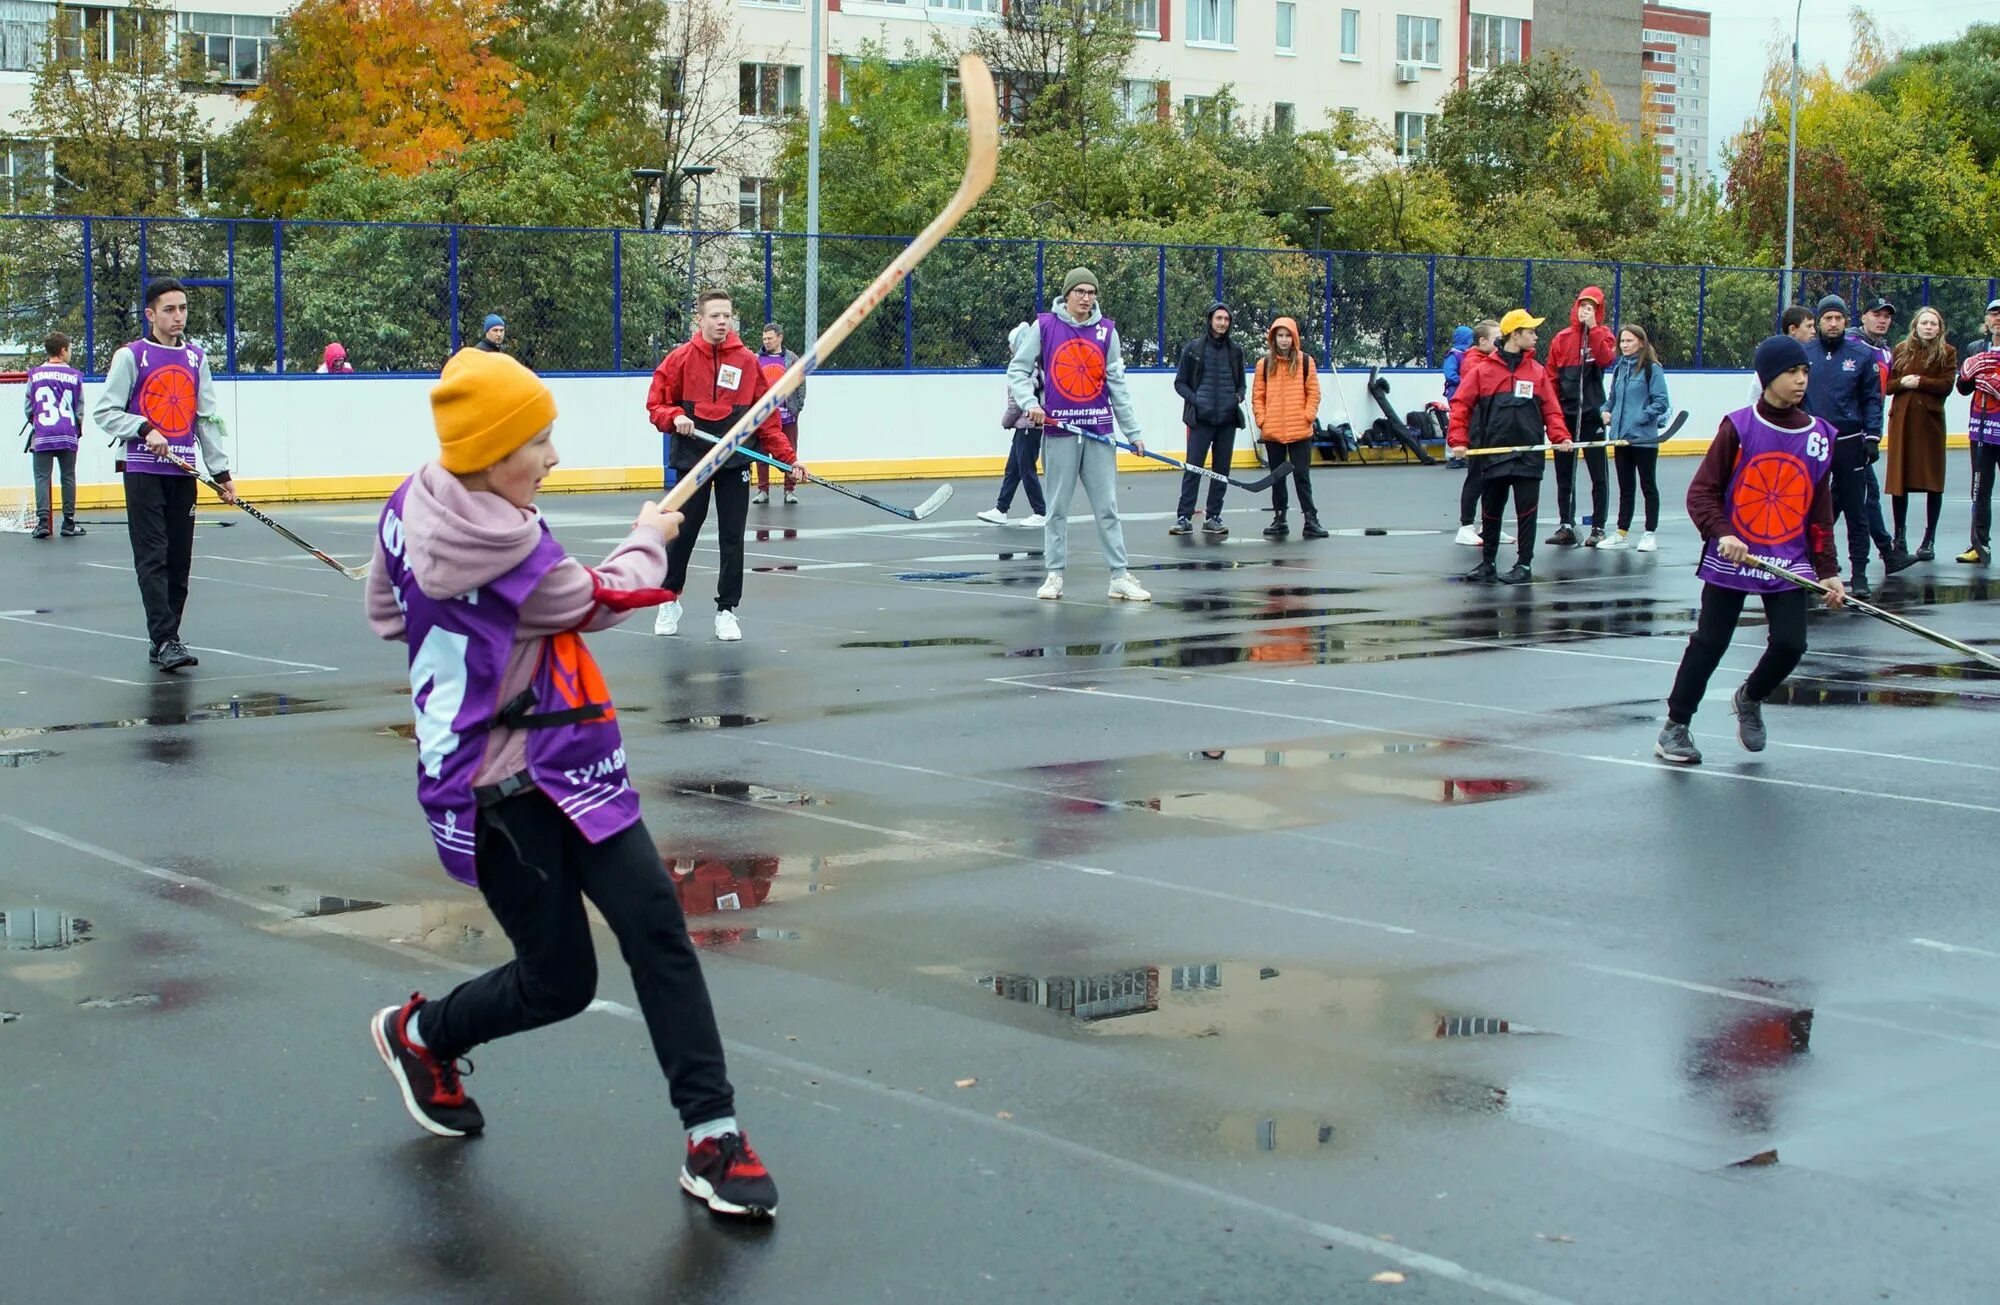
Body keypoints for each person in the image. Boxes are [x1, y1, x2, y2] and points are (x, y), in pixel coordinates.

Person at [363, 347, 779, 1220]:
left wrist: (473, 634)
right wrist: (648, 536)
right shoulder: (507, 543)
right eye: (539, 444)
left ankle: (713, 1133)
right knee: (559, 982)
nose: (553, 459)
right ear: (491, 453)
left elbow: (384, 611)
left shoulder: (414, 496)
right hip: (498, 793)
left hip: (571, 760)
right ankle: (422, 1032)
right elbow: (601, 597)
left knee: (658, 926)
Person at [1655, 335, 1846, 765]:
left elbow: (1819, 511)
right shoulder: (1738, 427)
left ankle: (1750, 696)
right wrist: (1722, 532)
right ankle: (1675, 727)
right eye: (1790, 373)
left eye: (1804, 372)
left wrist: (1828, 569)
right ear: (1766, 379)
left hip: (1787, 559)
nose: (1800, 381)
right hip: (1733, 558)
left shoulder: (1819, 436)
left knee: (1791, 645)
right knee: (1710, 642)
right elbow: (1701, 493)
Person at [89, 277, 236, 672]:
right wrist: (143, 428)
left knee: (179, 560)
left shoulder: (196, 358)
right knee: (152, 556)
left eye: (183, 308)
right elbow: (105, 411)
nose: (178, 316)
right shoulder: (131, 356)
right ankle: (165, 638)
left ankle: (166, 636)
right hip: (142, 471)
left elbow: (206, 418)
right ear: (150, 314)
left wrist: (221, 472)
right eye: (169, 309)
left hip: (182, 472)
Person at [645, 290, 801, 641]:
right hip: (693, 459)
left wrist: (788, 460)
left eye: (726, 316)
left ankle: (726, 610)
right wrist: (675, 416)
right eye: (714, 316)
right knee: (682, 533)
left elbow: (767, 419)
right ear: (699, 319)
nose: (721, 322)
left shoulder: (747, 362)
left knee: (732, 537)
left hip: (734, 460)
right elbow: (656, 404)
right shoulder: (679, 360)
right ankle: (669, 599)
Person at [1007, 266, 1151, 602]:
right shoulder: (1044, 326)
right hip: (1060, 432)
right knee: (1056, 508)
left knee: (1107, 508)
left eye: (1091, 292)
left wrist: (1133, 432)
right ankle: (1054, 574)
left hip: (1099, 432)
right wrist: (1031, 403)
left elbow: (1117, 387)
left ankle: (1119, 576)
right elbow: (1018, 369)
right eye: (1080, 292)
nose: (1086, 298)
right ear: (1067, 294)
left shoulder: (1107, 332)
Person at [1446, 308, 1571, 585]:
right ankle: (1488, 563)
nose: (1536, 337)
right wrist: (1458, 440)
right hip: (1494, 453)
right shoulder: (1484, 371)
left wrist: (1561, 437)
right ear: (1515, 334)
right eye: (1530, 332)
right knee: (1491, 512)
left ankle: (1523, 565)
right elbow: (1461, 405)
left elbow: (1551, 409)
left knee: (1527, 513)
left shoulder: (1537, 372)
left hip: (1528, 455)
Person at [1807, 295, 1907, 597]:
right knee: (1809, 509)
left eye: (1838, 318)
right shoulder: (1803, 353)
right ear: (1819, 322)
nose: (1834, 323)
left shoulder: (1862, 355)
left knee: (1856, 510)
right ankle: (1810, 566)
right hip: (1812, 442)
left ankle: (1860, 573)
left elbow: (1872, 400)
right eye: (1828, 318)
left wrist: (1872, 437)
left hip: (1850, 442)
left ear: (1846, 321)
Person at [1882, 306, 1956, 563]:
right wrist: (1903, 382)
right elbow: (1888, 385)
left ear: (1939, 328)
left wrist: (1920, 381)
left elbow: (1947, 385)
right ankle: (1899, 537)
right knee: (1899, 481)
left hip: (1930, 424)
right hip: (1901, 421)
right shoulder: (1901, 349)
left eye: (1933, 323)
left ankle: (1929, 538)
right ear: (1915, 325)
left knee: (1933, 481)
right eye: (1924, 322)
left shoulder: (1947, 352)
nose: (1928, 327)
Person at [1545, 287, 1616, 547]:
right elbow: (1551, 378)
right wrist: (1553, 414)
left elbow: (1607, 360)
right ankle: (1567, 524)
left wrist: (1594, 328)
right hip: (1566, 415)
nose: (1585, 310)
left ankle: (1598, 526)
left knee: (1599, 474)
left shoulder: (1604, 335)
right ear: (1575, 306)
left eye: (1592, 306)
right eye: (1582, 305)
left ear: (1598, 310)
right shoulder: (1561, 339)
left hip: (1592, 416)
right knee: (1564, 474)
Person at [1169, 301, 1246, 536]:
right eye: (1218, 318)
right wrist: (1196, 399)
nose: (1222, 323)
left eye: (1226, 319)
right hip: (1200, 420)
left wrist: (1237, 397)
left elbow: (1242, 383)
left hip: (1227, 421)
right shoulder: (1193, 349)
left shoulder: (1236, 351)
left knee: (1221, 471)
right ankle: (1184, 517)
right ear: (1210, 320)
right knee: (1193, 469)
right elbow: (1179, 383)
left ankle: (1213, 517)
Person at [1597, 324, 1671, 553]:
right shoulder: (1619, 369)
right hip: (1620, 439)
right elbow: (1612, 399)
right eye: (1622, 342)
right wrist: (1605, 411)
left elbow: (1661, 402)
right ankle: (1621, 532)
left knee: (1648, 485)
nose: (1625, 345)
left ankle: (1650, 533)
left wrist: (1640, 419)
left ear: (1641, 342)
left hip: (1644, 439)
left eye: (1629, 341)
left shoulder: (1652, 369)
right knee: (1625, 486)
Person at [1251, 316, 1324, 540]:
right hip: (1273, 431)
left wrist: (1308, 416)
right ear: (1273, 339)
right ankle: (1279, 518)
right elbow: (1258, 396)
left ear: (1294, 338)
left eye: (1287, 336)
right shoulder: (1264, 364)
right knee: (1277, 478)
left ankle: (1311, 519)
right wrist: (1262, 419)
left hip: (1300, 430)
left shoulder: (1304, 361)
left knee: (1302, 476)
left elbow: (1314, 392)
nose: (1284, 340)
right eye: (1280, 336)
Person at [979, 320, 1047, 527]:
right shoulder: (1033, 368)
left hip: (1029, 427)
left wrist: (1006, 421)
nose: (1009, 347)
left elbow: (1017, 402)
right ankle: (1001, 509)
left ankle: (1041, 512)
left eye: (1011, 343)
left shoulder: (1025, 370)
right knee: (1013, 469)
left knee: (1026, 470)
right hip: (1024, 428)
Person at [23, 331, 85, 539]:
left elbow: (29, 407)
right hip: (67, 433)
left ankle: (42, 523)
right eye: (70, 349)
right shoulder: (75, 376)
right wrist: (78, 429)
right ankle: (68, 522)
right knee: (68, 476)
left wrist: (36, 422)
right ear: (63, 350)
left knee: (41, 477)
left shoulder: (35, 374)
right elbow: (79, 408)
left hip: (43, 434)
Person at [1451, 320, 1505, 546]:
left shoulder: (1493, 359)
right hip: (1477, 426)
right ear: (1482, 341)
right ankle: (1465, 526)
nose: (1501, 342)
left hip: (1493, 426)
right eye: (1497, 338)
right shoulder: (1473, 361)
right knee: (1476, 476)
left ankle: (1489, 525)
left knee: (1494, 477)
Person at [1955, 298, 2000, 565]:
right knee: (1979, 489)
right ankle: (1978, 544)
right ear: (1985, 321)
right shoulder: (1976, 348)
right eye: (1993, 314)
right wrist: (1966, 375)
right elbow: (1963, 389)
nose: (1998, 319)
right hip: (1982, 429)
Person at [751, 323, 803, 506]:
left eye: (770, 338)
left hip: (787, 416)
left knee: (790, 451)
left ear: (780, 337)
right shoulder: (755, 359)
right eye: (764, 339)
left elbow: (801, 384)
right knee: (761, 453)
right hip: (763, 417)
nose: (766, 342)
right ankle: (762, 490)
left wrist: (797, 407)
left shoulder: (792, 359)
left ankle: (789, 490)